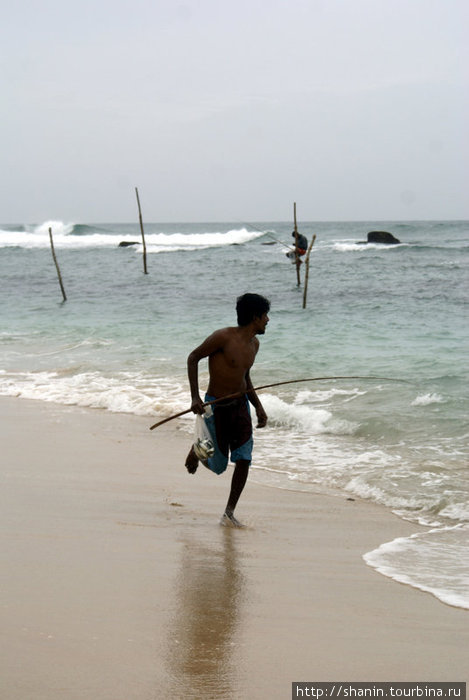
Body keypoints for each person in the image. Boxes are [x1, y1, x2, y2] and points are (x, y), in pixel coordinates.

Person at [184, 293, 270, 527]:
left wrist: (258, 407)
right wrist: (194, 397)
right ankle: (197, 449)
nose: (268, 320)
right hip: (216, 406)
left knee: (244, 458)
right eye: (265, 316)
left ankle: (229, 512)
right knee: (219, 465)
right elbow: (193, 358)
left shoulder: (255, 344)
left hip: (240, 407)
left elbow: (245, 378)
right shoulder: (222, 337)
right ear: (255, 317)